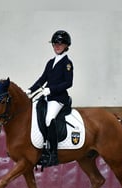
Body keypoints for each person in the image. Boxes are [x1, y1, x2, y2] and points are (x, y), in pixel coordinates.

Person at [25, 30, 73, 167]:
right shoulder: (50, 62)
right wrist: (30, 90)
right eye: (55, 44)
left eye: (60, 44)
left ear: (66, 45)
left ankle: (52, 153)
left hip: (59, 99)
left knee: (49, 118)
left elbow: (68, 83)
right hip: (48, 97)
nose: (57, 46)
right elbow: (43, 79)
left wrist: (51, 89)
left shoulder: (67, 63)